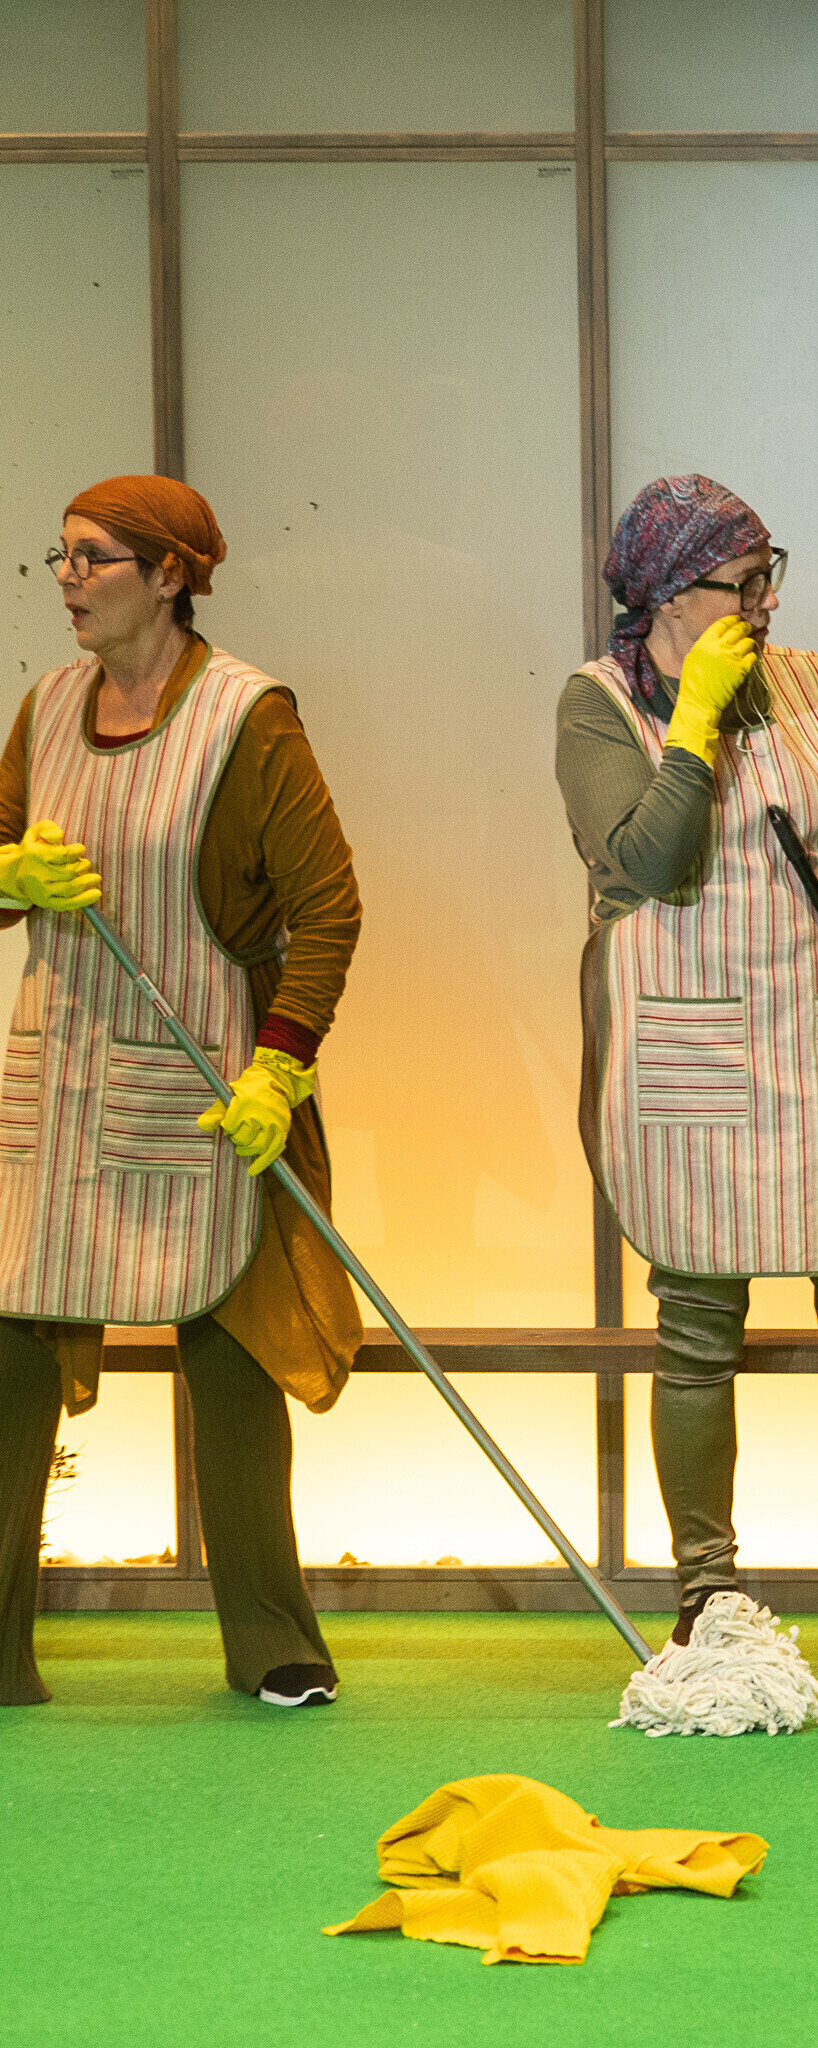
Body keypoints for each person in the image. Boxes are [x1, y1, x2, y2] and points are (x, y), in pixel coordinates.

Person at [556, 473, 818, 1682]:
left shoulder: (811, 686)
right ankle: (710, 1599)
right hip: (689, 1055)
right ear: (665, 593)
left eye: (768, 574)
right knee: (697, 1326)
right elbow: (646, 860)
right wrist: (692, 721)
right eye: (742, 583)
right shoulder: (597, 706)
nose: (767, 602)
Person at [0, 476, 364, 1709]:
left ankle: (272, 1640)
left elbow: (328, 910)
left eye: (93, 557)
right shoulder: (46, 709)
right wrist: (10, 873)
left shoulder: (247, 718)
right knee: (10, 1342)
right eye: (59, 556)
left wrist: (280, 1065)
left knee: (228, 1339)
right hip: (56, 1081)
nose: (66, 578)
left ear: (170, 575)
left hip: (202, 1080)